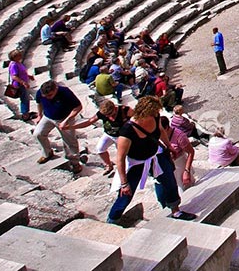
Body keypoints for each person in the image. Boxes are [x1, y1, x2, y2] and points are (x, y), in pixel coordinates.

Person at [107, 96, 195, 224]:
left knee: (170, 181)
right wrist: (124, 182)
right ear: (146, 112)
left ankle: (176, 211)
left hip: (156, 154)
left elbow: (160, 131)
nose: (157, 113)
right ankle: (113, 219)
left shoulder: (155, 116)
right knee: (126, 193)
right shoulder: (127, 131)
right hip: (136, 163)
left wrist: (169, 146)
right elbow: (120, 159)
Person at [70, 98, 131, 177]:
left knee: (122, 155)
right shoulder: (102, 113)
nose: (107, 116)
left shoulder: (124, 110)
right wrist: (71, 127)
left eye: (109, 114)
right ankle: (108, 165)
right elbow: (89, 122)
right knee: (100, 148)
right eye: (105, 115)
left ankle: (125, 171)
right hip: (108, 134)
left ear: (114, 108)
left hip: (121, 136)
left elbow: (137, 119)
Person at [34, 81, 83, 171]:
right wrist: (39, 115)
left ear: (55, 89)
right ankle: (47, 153)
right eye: (46, 96)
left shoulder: (65, 92)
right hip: (48, 117)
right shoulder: (41, 92)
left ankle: (75, 162)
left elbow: (78, 107)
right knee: (38, 134)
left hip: (65, 118)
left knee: (70, 142)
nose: (48, 98)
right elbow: (38, 102)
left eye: (50, 95)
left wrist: (66, 120)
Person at [161, 115, 195, 193]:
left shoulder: (179, 136)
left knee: (187, 191)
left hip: (180, 166)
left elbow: (191, 152)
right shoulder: (159, 137)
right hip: (170, 169)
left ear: (166, 128)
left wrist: (186, 171)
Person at [7, 49, 34, 120]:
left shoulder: (18, 63)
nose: (21, 56)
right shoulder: (14, 65)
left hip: (22, 83)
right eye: (19, 55)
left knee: (25, 98)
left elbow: (22, 72)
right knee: (24, 98)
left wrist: (28, 76)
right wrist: (23, 82)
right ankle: (25, 114)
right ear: (14, 57)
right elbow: (14, 76)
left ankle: (26, 113)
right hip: (19, 85)